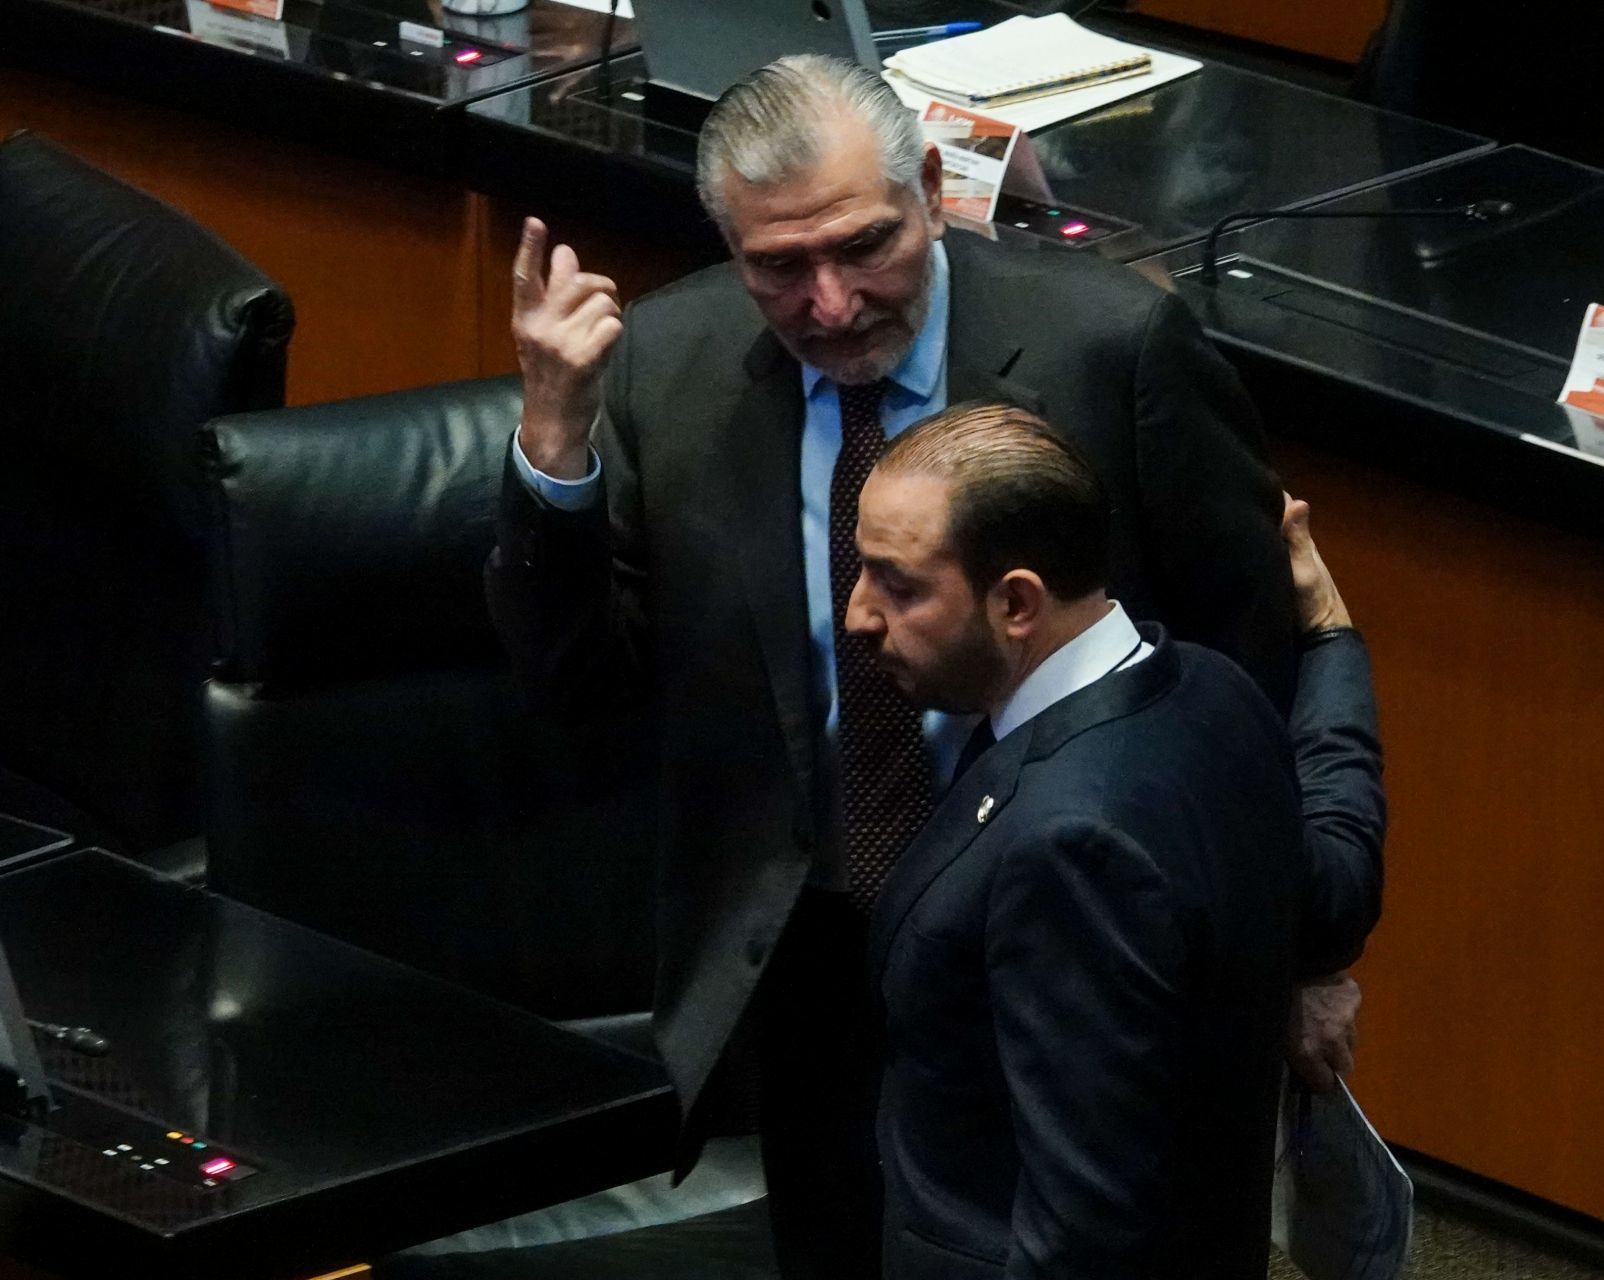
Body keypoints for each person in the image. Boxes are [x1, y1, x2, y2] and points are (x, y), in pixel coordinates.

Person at [486, 52, 1373, 1278]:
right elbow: (581, 687)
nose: (833, 303)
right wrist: (553, 445)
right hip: (817, 952)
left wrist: (1302, 949)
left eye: (864, 245)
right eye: (780, 267)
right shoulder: (666, 365)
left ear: (935, 190)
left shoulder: (1113, 349)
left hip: (1080, 931)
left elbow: (1238, 660)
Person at [849, 402, 1380, 1280]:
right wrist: (1330, 640)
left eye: (898, 586)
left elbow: (1083, 1234)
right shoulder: (1214, 694)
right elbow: (1338, 878)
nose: (860, 613)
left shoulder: (1070, 847)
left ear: (1017, 602)